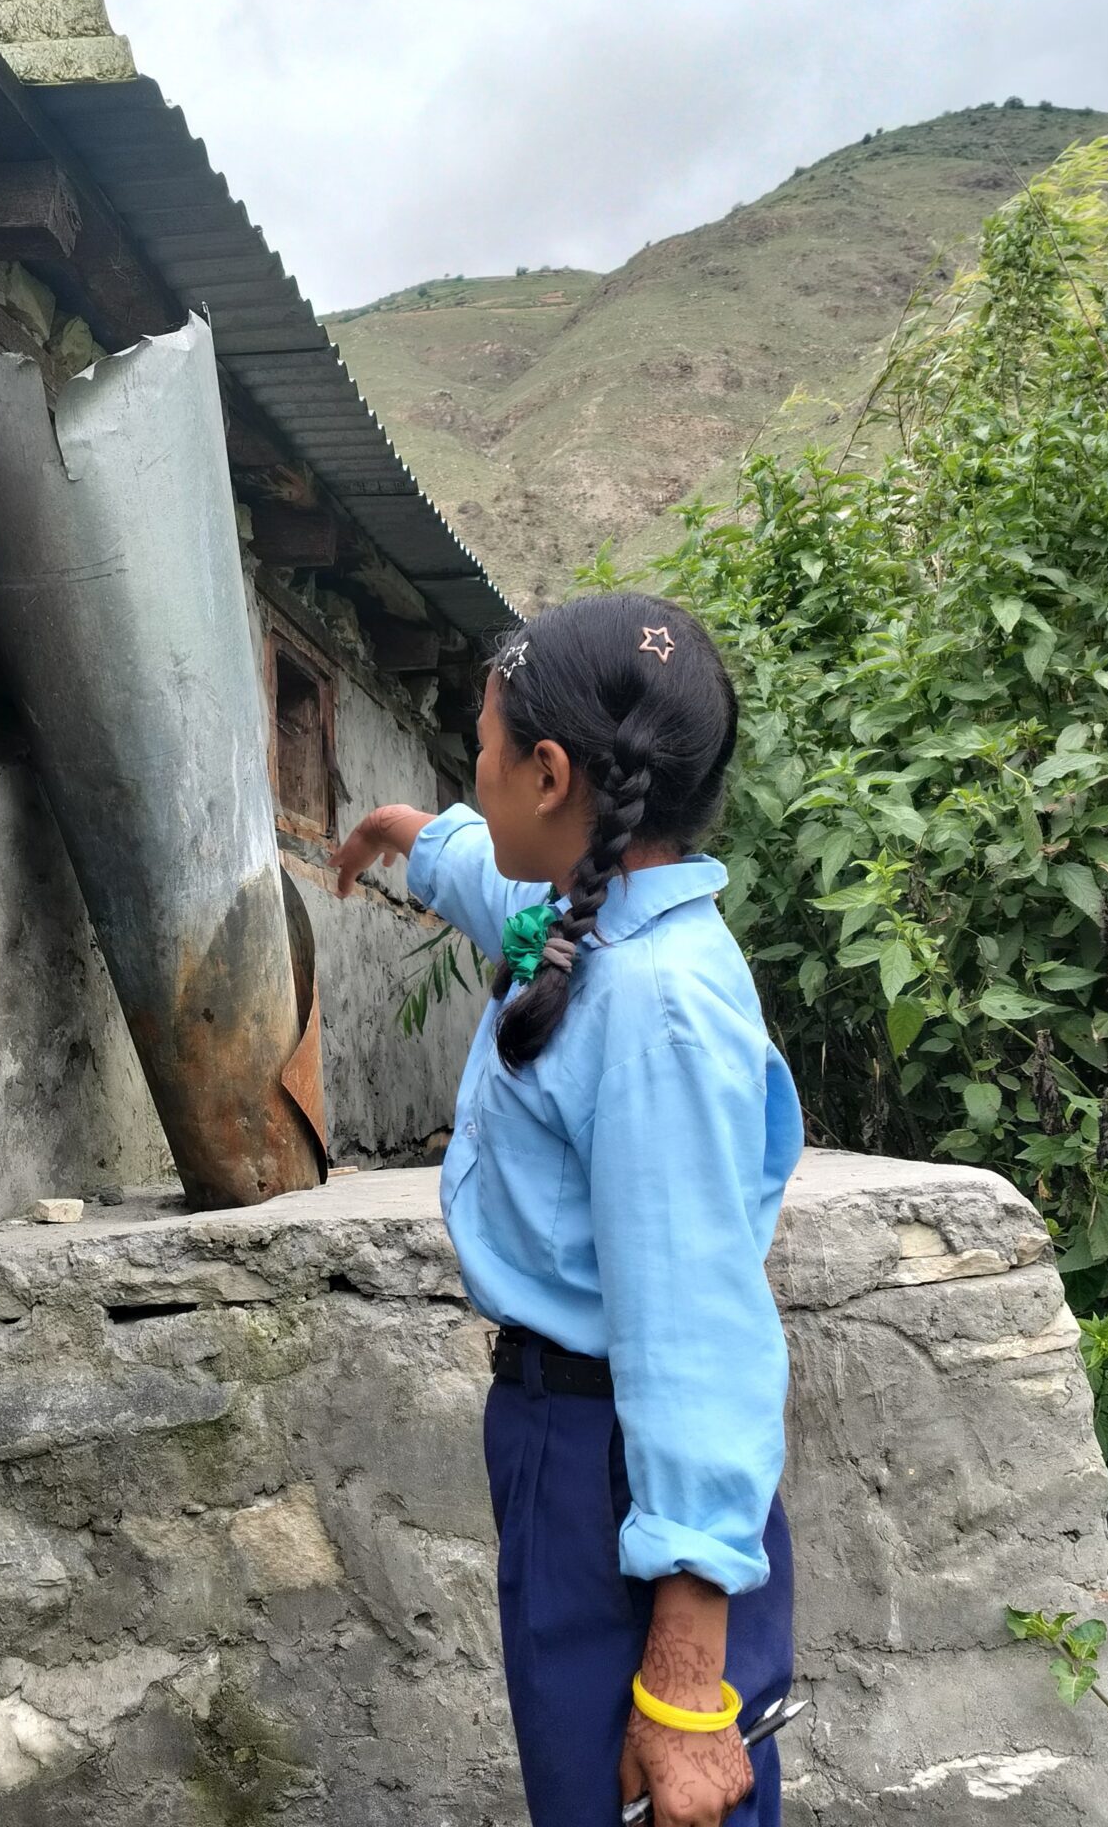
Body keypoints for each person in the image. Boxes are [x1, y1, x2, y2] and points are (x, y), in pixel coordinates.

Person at [327, 592, 802, 1827]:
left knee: (641, 1807)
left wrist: (687, 1691)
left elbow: (697, 1338)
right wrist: (417, 841)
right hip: (572, 1456)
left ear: (547, 773)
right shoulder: (613, 922)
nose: (469, 775)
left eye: (479, 751)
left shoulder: (655, 1015)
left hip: (622, 1485)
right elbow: (526, 901)